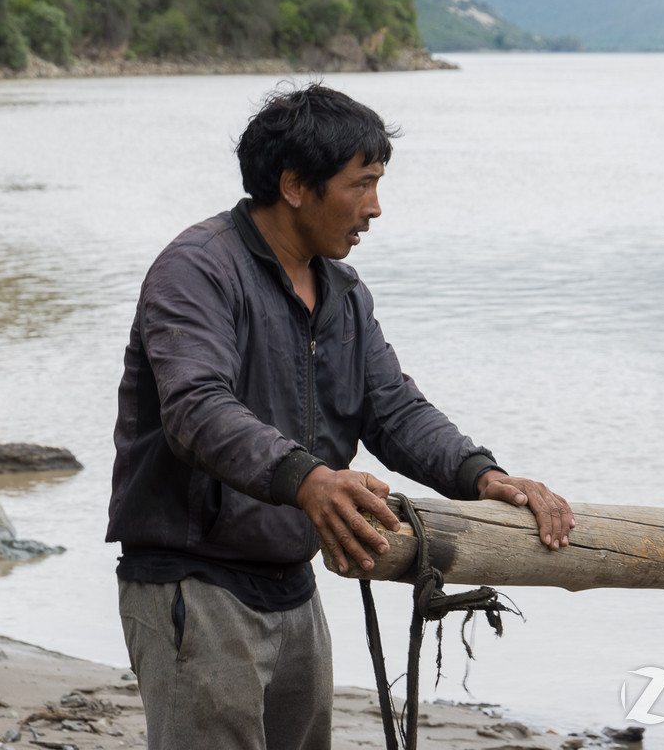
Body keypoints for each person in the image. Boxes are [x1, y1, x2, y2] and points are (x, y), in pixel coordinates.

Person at [106, 82, 575, 749]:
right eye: (361, 185)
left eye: (378, 184)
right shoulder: (197, 270)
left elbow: (394, 409)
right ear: (296, 184)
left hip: (293, 581)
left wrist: (482, 477)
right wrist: (312, 482)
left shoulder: (343, 293)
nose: (375, 208)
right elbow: (196, 410)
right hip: (195, 582)